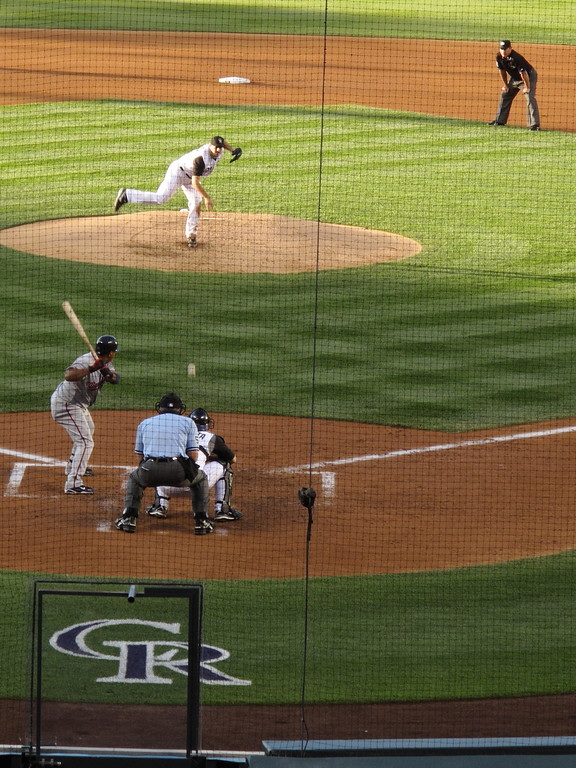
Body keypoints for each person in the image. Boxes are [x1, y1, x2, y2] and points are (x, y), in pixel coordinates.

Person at [113, 136, 242, 247]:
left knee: (196, 201)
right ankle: (127, 195)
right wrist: (207, 197)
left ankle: (191, 235)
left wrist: (232, 150)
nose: (219, 150)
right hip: (178, 173)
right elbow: (195, 182)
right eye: (216, 147)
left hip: (190, 176)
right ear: (210, 146)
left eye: (220, 148)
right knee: (160, 198)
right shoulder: (201, 159)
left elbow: (223, 143)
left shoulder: (219, 151)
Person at [114, 393, 213, 535]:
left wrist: (149, 470)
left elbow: (140, 457)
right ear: (180, 409)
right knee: (201, 478)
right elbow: (193, 455)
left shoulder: (145, 423)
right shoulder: (188, 423)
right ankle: (201, 522)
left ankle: (129, 519)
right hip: (177, 471)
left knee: (134, 479)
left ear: (159, 408)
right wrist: (186, 470)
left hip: (150, 470)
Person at [146, 407, 243, 522]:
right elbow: (232, 459)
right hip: (196, 487)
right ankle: (223, 510)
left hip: (168, 486)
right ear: (207, 424)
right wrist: (208, 456)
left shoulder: (176, 435)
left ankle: (159, 506)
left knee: (161, 460)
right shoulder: (211, 437)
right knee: (225, 464)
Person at [50, 335, 119, 494]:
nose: (115, 354)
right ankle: (73, 483)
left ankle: (72, 466)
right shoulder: (85, 361)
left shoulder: (106, 363)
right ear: (110, 353)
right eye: (114, 351)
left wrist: (108, 375)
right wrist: (91, 369)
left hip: (78, 405)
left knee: (89, 428)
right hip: (66, 405)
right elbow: (68, 375)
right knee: (86, 442)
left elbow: (116, 379)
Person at [488, 40, 540, 130]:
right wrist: (505, 85)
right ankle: (499, 120)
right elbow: (502, 71)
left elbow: (524, 74)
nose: (503, 51)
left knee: (529, 97)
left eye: (505, 49)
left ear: (510, 48)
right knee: (505, 94)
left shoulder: (517, 58)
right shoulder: (499, 57)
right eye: (501, 49)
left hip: (528, 77)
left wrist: (527, 87)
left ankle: (534, 125)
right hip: (514, 78)